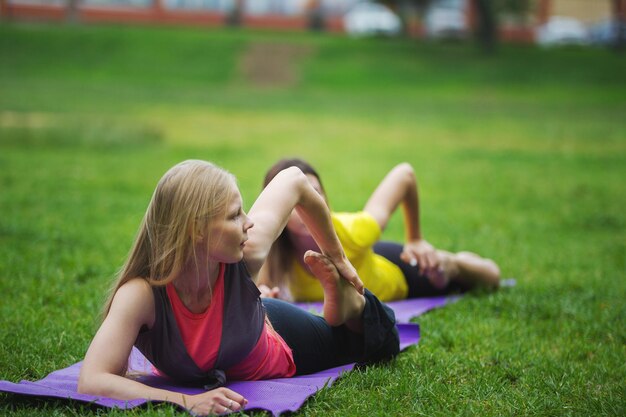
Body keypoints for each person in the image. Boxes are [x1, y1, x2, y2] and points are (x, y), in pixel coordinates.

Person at [77, 160, 399, 416]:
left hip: (278, 339)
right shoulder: (142, 295)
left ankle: (351, 304)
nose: (248, 222)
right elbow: (93, 380)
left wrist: (338, 258)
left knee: (378, 340)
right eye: (234, 215)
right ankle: (342, 306)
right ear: (196, 230)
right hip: (245, 327)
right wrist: (187, 402)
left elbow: (295, 179)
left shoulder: (245, 254)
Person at [257, 158, 501, 302]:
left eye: (314, 194)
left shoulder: (355, 231)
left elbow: (404, 173)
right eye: (295, 201)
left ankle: (454, 261)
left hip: (401, 271)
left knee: (487, 278)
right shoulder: (273, 253)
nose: (305, 207)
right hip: (369, 261)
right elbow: (257, 288)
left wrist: (415, 238)